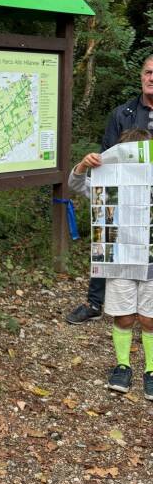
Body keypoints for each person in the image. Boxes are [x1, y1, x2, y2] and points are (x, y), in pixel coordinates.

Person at [66, 54, 153, 324]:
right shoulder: (123, 114)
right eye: (148, 72)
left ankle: (145, 310)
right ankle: (95, 303)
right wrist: (90, 168)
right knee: (107, 236)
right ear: (141, 76)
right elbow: (107, 158)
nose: (152, 78)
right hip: (121, 191)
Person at [69, 128, 153, 399]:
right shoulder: (109, 186)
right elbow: (77, 184)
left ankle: (151, 369)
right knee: (125, 316)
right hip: (119, 262)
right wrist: (83, 165)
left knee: (150, 318)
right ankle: (123, 365)